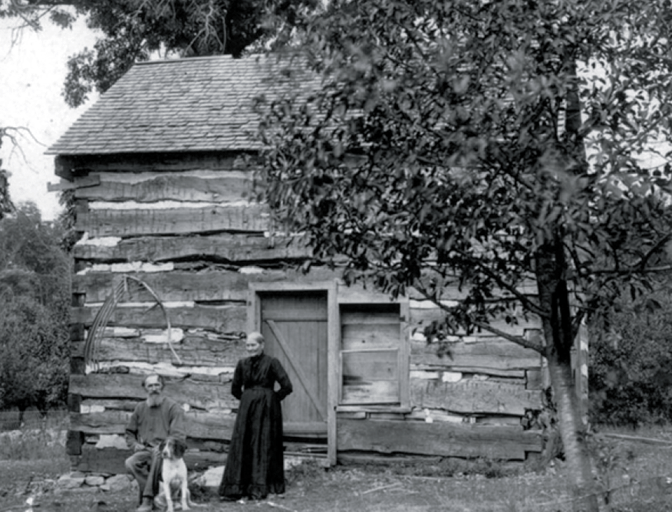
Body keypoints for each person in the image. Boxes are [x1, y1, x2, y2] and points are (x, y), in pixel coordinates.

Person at [219, 331, 293, 501]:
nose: (250, 348)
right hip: (247, 409)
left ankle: (264, 485)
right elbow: (235, 389)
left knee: (265, 442)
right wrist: (248, 399)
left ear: (262, 345)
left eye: (253, 345)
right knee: (244, 442)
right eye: (248, 345)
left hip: (267, 409)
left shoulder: (272, 362)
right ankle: (239, 486)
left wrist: (273, 398)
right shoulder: (242, 364)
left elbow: (287, 386)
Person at [125, 373, 186, 512]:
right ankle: (160, 494)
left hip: (166, 450)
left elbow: (177, 434)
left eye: (156, 385)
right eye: (150, 385)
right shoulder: (140, 408)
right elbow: (129, 432)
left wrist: (164, 446)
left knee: (158, 454)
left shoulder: (172, 407)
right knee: (130, 462)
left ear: (162, 387)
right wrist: (135, 445)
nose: (153, 389)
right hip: (146, 449)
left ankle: (147, 500)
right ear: (145, 388)